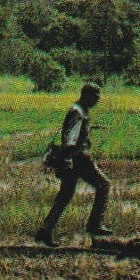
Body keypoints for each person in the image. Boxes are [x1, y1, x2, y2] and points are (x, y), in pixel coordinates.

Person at [35, 83, 112, 246]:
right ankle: (94, 224)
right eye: (95, 97)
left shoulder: (81, 110)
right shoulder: (77, 112)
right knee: (104, 185)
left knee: (65, 195)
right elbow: (70, 137)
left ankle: (44, 231)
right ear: (87, 95)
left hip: (72, 158)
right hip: (78, 158)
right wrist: (68, 159)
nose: (97, 101)